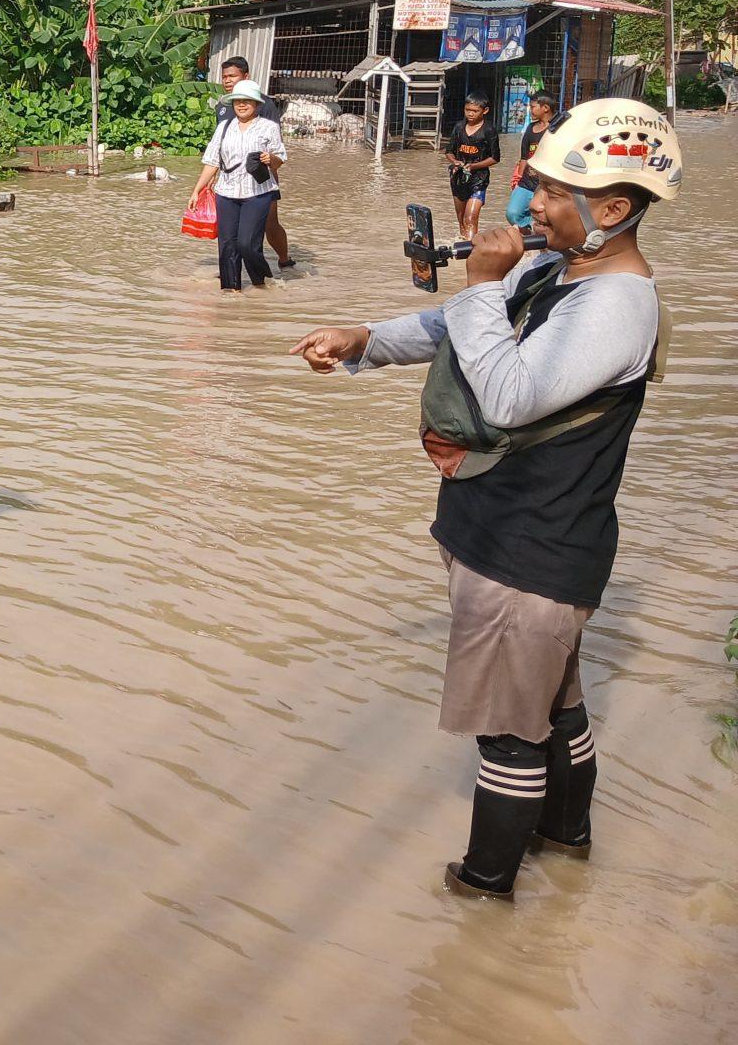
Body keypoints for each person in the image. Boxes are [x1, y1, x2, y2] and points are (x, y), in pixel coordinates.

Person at [289, 98, 680, 900]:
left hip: (527, 546)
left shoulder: (617, 305)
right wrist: (367, 339)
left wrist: (479, 282)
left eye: (551, 192)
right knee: (554, 706)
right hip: (523, 532)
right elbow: (452, 327)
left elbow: (508, 395)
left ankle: (482, 895)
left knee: (506, 734)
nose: (529, 205)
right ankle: (566, 845)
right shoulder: (557, 271)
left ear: (611, 210)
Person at [190, 80, 287, 293]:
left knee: (247, 244)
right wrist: (197, 190)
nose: (241, 105)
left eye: (247, 101)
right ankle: (231, 291)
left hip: (258, 192)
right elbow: (212, 161)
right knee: (227, 246)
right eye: (237, 101)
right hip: (226, 192)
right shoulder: (223, 128)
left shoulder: (269, 127)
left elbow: (280, 159)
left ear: (256, 104)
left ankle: (261, 282)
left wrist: (270, 159)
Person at [215, 56, 292, 267]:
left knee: (270, 223)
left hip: (260, 177)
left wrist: (271, 171)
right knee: (231, 230)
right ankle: (233, 271)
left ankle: (284, 260)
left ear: (246, 76)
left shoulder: (264, 104)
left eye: (233, 76)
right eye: (224, 77)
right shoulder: (222, 107)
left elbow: (275, 146)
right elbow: (219, 147)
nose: (227, 80)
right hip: (231, 179)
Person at [444, 94, 499, 242]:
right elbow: (448, 151)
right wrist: (455, 161)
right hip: (458, 178)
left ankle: (470, 249)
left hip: (479, 180)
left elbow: (495, 158)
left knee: (470, 218)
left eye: (475, 111)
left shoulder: (489, 130)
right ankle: (464, 245)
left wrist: (474, 166)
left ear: (485, 111)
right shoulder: (459, 127)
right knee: (461, 218)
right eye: (467, 110)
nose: (470, 114)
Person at [504, 92, 556, 230]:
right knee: (512, 213)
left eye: (533, 107)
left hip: (547, 184)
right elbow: (524, 157)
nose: (530, 110)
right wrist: (518, 179)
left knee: (546, 217)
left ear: (545, 108)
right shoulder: (530, 128)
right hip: (527, 182)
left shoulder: (557, 130)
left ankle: (538, 236)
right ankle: (529, 231)